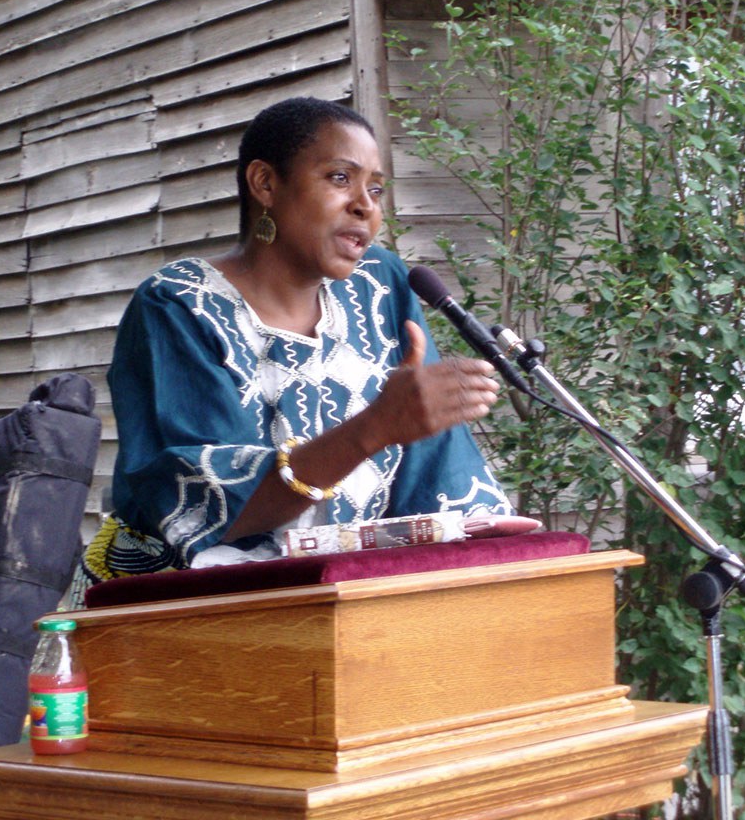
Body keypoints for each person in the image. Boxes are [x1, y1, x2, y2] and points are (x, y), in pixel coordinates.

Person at [70, 97, 512, 604]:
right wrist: (373, 429)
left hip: (351, 605)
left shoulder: (382, 285)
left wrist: (484, 547)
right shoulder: (179, 305)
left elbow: (439, 473)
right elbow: (209, 508)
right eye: (340, 179)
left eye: (375, 189)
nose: (365, 206)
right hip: (182, 615)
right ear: (265, 184)